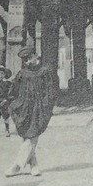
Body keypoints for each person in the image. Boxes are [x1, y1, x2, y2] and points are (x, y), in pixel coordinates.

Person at [6, 46, 58, 177]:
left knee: (33, 135)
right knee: (26, 135)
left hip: (39, 107)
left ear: (36, 55)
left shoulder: (44, 72)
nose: (28, 62)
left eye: (30, 58)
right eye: (25, 60)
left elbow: (51, 90)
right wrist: (15, 104)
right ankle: (34, 165)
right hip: (24, 107)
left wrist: (46, 105)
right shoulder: (22, 73)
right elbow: (14, 91)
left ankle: (17, 165)